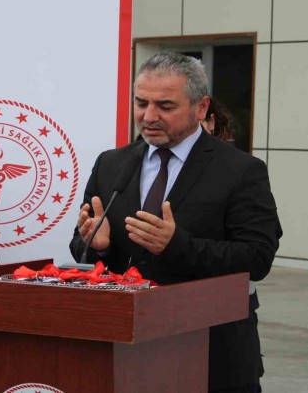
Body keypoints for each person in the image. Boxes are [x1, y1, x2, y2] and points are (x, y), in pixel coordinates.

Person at [70, 52, 281, 392]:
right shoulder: (111, 164)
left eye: (165, 106)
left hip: (210, 353)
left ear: (201, 107)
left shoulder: (241, 171)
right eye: (141, 103)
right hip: (124, 352)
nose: (149, 116)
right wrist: (98, 246)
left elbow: (257, 258)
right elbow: (81, 250)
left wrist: (176, 246)